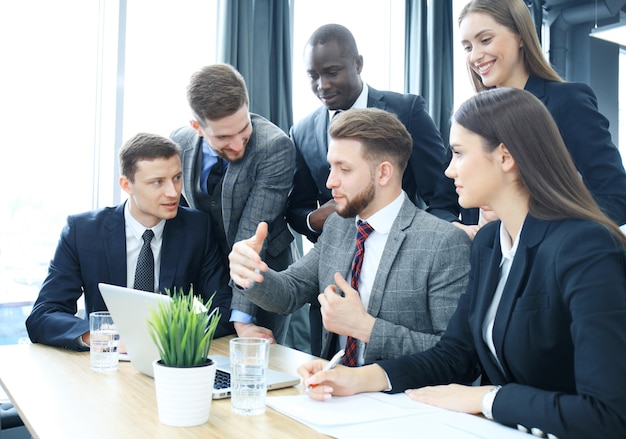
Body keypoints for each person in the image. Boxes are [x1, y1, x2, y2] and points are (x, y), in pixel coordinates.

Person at [299, 88, 626, 439]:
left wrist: (486, 398)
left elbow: (607, 414)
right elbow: (455, 355)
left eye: (458, 154)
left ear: (505, 157)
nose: (449, 170)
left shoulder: (586, 248)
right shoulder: (490, 244)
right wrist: (359, 378)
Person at [229, 108, 471, 362]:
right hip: (334, 390)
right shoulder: (338, 226)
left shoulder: (442, 242)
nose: (330, 182)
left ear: (384, 173)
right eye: (331, 167)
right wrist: (251, 273)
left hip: (400, 396)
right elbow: (290, 291)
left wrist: (365, 328)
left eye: (344, 169)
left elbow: (455, 356)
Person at [26, 133, 234, 350]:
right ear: (127, 185)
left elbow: (223, 307)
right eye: (157, 182)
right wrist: (103, 337)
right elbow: (43, 315)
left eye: (177, 178)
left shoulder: (197, 228)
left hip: (171, 358)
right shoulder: (83, 231)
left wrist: (169, 337)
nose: (173, 192)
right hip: (107, 361)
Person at [454, 0, 626, 235]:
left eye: (485, 40)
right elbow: (443, 199)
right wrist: (460, 230)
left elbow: (615, 196)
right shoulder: (470, 118)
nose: (475, 56)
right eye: (467, 47)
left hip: (545, 261)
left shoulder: (567, 101)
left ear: (521, 36)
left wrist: (534, 224)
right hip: (485, 261)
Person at [287, 23, 459, 244]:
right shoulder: (301, 132)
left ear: (358, 64)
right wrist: (315, 219)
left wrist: (423, 244)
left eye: (332, 72)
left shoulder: (407, 111)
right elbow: (297, 208)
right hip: (337, 260)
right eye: (313, 76)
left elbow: (440, 193)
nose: (322, 85)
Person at [170, 64, 297, 345]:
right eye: (223, 137)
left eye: (243, 129)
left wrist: (241, 318)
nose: (238, 145)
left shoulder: (275, 147)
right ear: (197, 128)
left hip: (262, 274)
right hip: (208, 272)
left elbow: (252, 232)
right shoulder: (178, 143)